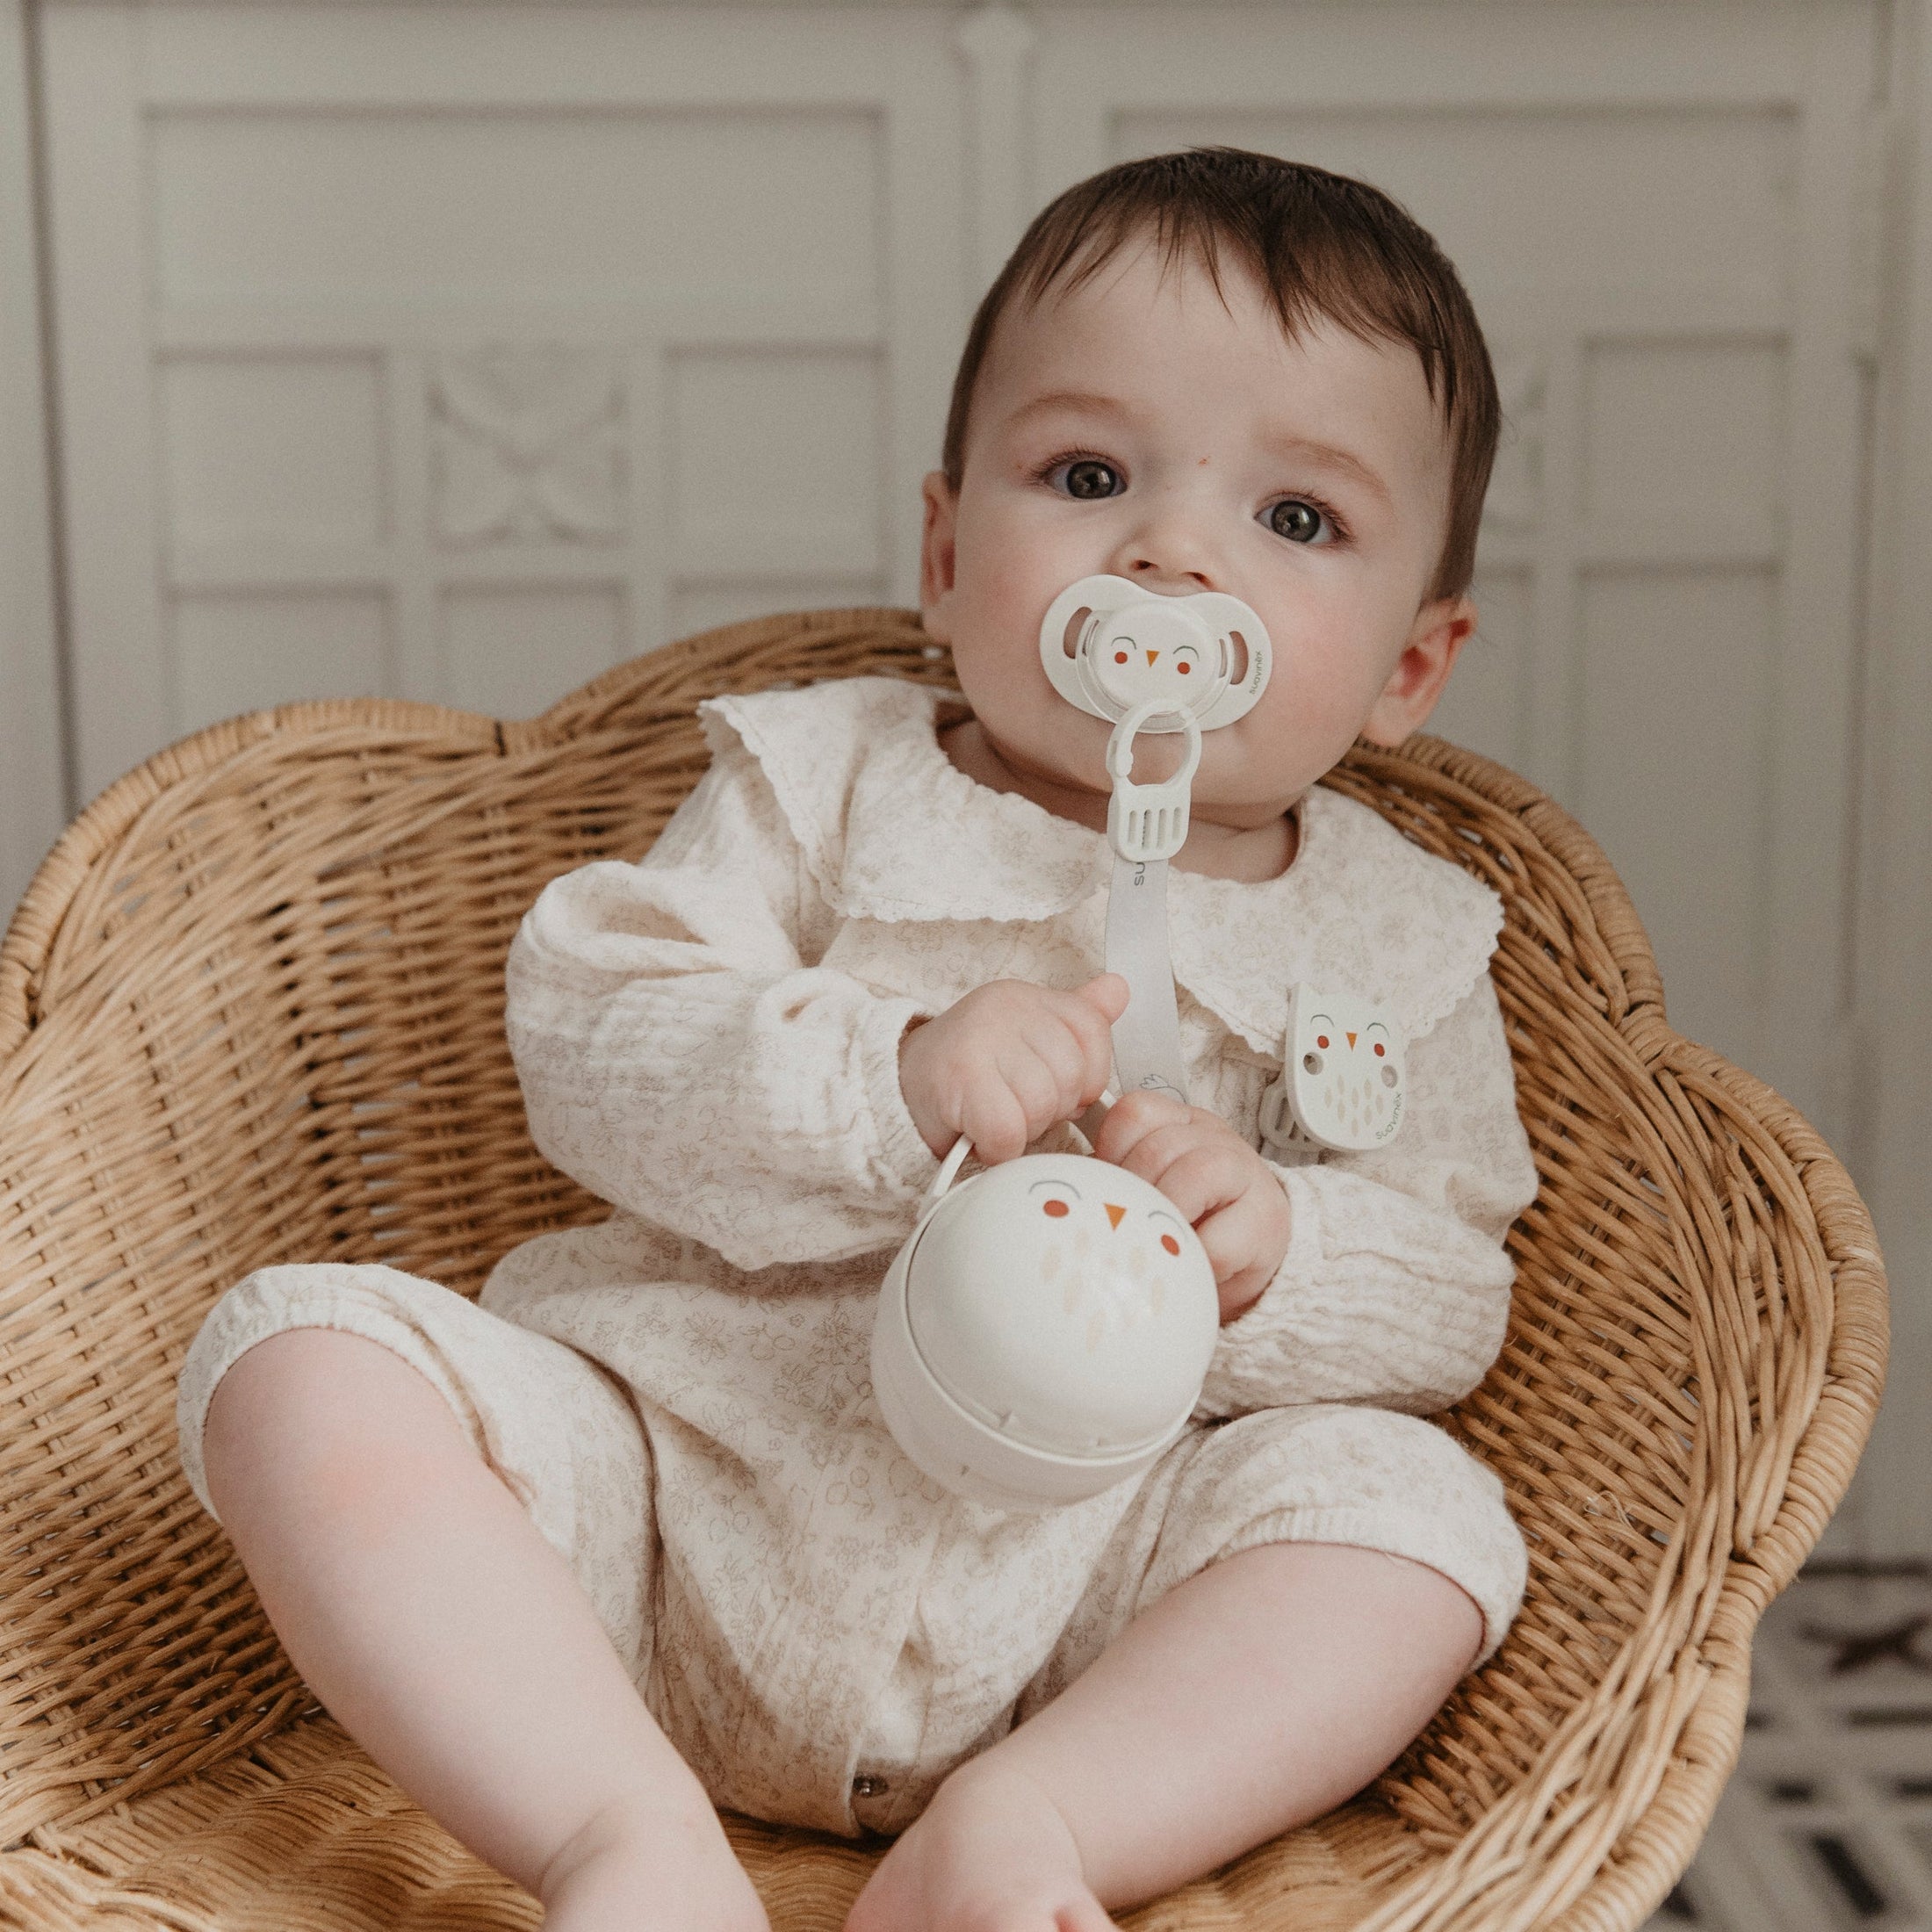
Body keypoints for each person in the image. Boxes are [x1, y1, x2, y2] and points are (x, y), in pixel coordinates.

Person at [178, 148, 1540, 1932]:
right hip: (671, 1509)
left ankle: (1029, 1831)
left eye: (1294, 521)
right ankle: (616, 1836)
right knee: (296, 1354)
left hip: (1088, 1602)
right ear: (946, 546)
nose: (1169, 552)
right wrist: (885, 1079)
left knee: (1418, 1521)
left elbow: (1457, 1287)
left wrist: (1279, 1245)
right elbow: (599, 1038)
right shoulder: (815, 784)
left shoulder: (1401, 935)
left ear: (1405, 670)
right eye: (1085, 473)